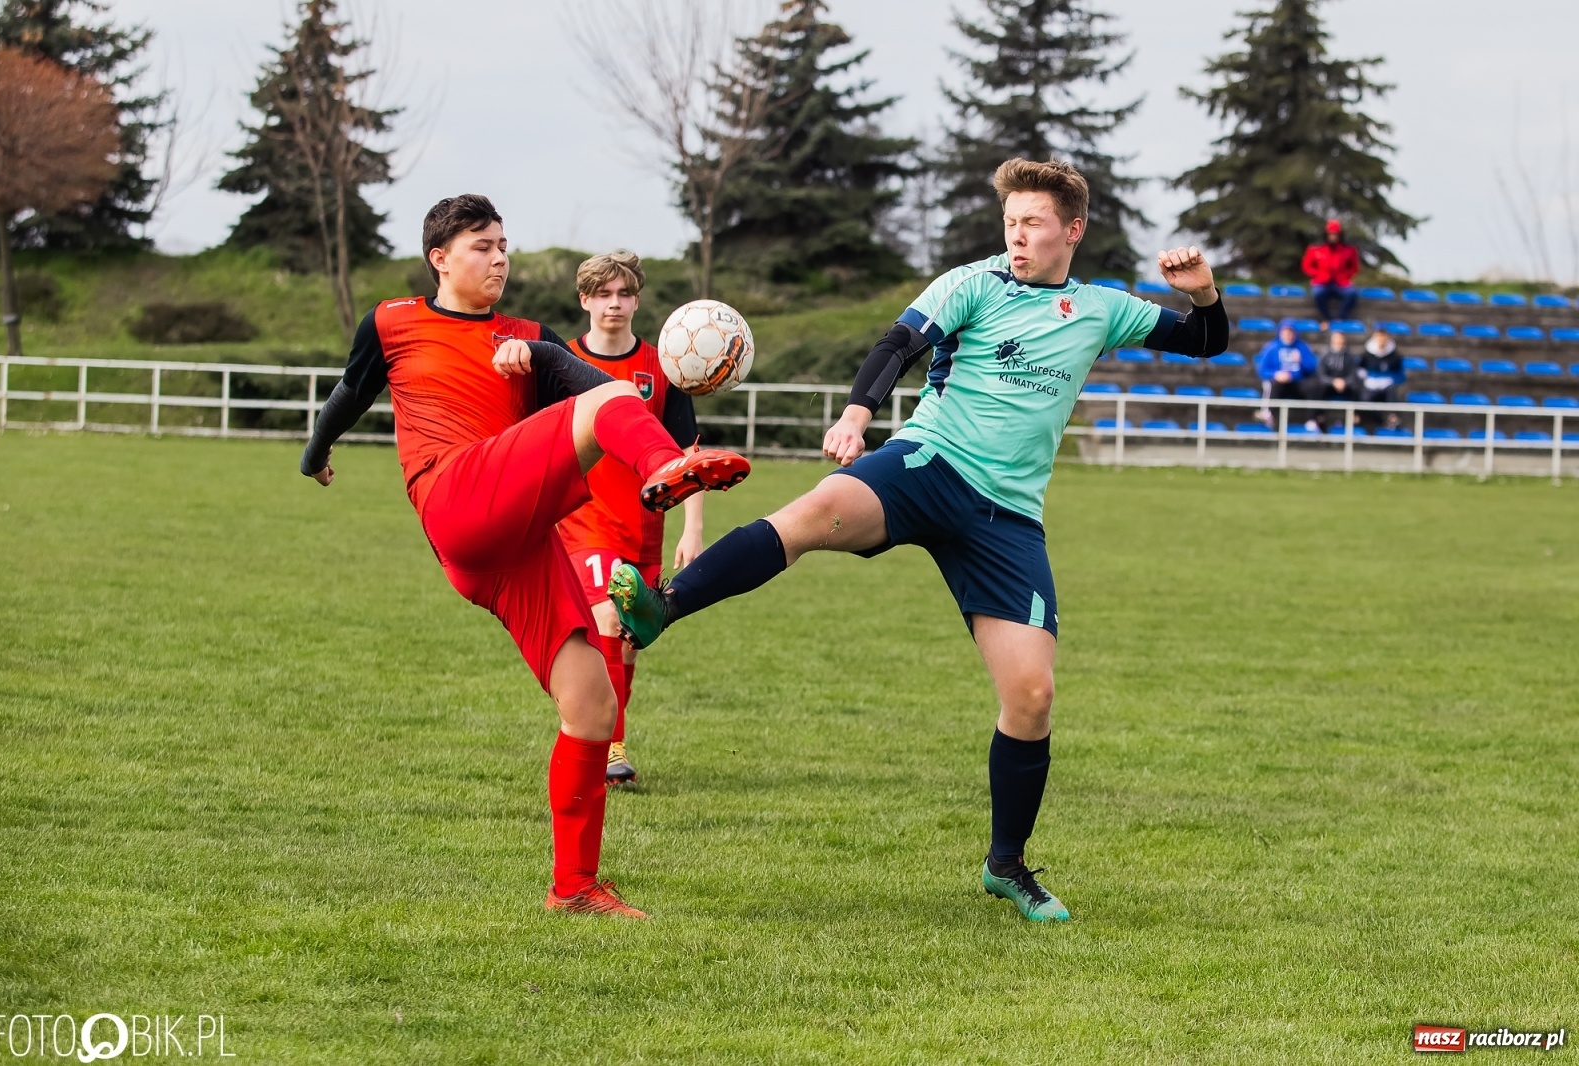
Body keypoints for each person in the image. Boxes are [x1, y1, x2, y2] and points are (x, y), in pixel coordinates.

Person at [606, 159, 1230, 923]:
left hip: (1005, 515)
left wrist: (1201, 287)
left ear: (1073, 229)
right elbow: (898, 344)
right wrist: (859, 414)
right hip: (925, 463)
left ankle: (1007, 865)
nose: (1018, 237)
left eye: (1032, 223)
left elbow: (1206, 340)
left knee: (1031, 696)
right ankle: (664, 609)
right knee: (806, 518)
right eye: (1010, 223)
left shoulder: (1101, 308)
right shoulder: (972, 284)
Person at [298, 194, 750, 919]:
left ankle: (573, 888)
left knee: (593, 705)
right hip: (455, 498)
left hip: (507, 547)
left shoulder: (531, 336)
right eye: (482, 246)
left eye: (504, 244)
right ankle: (665, 470)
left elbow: (607, 393)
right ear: (440, 257)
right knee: (609, 418)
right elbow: (351, 393)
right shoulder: (392, 321)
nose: (500, 257)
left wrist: (539, 354)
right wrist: (315, 454)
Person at [559, 251, 704, 786]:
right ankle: (609, 749)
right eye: (603, 294)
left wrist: (692, 527)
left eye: (623, 294)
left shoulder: (664, 368)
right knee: (608, 623)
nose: (613, 304)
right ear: (586, 301)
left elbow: (686, 455)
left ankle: (602, 729)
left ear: (637, 300)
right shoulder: (563, 361)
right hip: (582, 520)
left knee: (630, 641)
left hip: (643, 526)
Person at [1255, 320, 1319, 430]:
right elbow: (1262, 370)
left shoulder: (1302, 347)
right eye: (1285, 332)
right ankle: (1269, 415)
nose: (1288, 335)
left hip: (1297, 382)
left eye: (1290, 332)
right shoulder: (1271, 347)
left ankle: (1312, 420)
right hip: (1279, 383)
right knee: (1273, 385)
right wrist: (1276, 374)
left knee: (1314, 387)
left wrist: (1301, 361)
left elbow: (1312, 368)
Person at [1301, 218, 1361, 326]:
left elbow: (1354, 268)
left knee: (1351, 293)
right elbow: (1306, 266)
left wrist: (1346, 276)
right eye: (1331, 234)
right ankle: (1327, 319)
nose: (1333, 237)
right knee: (1317, 293)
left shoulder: (1349, 250)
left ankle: (1340, 318)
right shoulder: (1315, 249)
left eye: (1335, 234)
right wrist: (1317, 275)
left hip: (1341, 282)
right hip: (1322, 281)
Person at [1357, 324, 1406, 428]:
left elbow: (1400, 374)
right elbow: (1361, 370)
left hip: (1388, 387)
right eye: (1378, 336)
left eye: (1383, 336)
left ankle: (1392, 418)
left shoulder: (1394, 356)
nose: (1381, 339)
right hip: (1371, 385)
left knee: (1393, 393)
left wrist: (1390, 379)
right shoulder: (1367, 354)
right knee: (1364, 399)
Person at [1314, 331, 1361, 429]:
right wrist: (1333, 382)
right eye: (1336, 339)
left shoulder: (1349, 357)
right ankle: (1319, 417)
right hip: (1329, 385)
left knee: (1356, 388)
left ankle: (1355, 417)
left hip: (1345, 386)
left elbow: (1353, 375)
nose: (1339, 342)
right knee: (1319, 388)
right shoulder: (1325, 356)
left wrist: (1344, 382)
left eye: (1341, 340)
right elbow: (1321, 375)